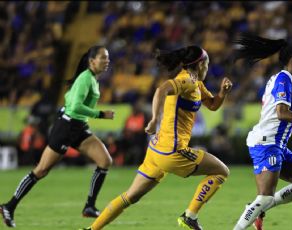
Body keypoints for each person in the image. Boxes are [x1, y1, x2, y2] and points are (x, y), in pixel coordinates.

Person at [80, 45, 232, 230]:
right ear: (200, 64)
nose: (208, 67)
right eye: (207, 63)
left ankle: (91, 229)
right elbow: (161, 90)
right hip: (173, 151)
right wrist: (153, 120)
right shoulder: (186, 81)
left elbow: (213, 105)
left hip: (156, 150)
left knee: (130, 196)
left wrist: (222, 93)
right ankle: (189, 216)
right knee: (221, 171)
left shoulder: (196, 83)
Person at [0, 45, 115, 228]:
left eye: (108, 57)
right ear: (92, 61)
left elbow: (69, 96)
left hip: (78, 126)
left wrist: (66, 107)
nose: (107, 61)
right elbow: (76, 106)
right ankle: (9, 206)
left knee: (105, 160)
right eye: (103, 58)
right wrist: (101, 114)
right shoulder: (86, 79)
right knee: (41, 170)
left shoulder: (91, 79)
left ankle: (89, 206)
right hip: (66, 127)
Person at [232, 34, 292, 230]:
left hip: (279, 145)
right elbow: (282, 113)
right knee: (265, 196)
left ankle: (257, 208)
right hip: (266, 143)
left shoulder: (291, 82)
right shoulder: (283, 80)